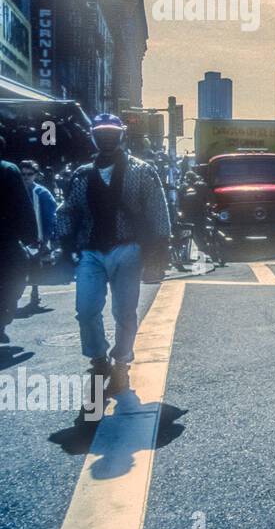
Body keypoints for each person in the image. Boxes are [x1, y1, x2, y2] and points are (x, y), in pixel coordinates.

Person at [55, 113, 171, 393]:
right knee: (85, 310)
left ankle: (121, 359)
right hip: (91, 251)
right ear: (93, 136)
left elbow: (158, 211)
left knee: (124, 310)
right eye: (101, 132)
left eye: (111, 132)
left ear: (120, 135)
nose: (106, 137)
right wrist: (64, 245)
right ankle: (97, 357)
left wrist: (158, 253)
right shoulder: (81, 174)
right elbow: (68, 210)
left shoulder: (142, 170)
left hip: (128, 248)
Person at [0, 136, 38, 344]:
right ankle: (2, 319)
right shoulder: (8, 170)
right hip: (5, 239)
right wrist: (31, 236)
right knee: (14, 278)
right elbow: (22, 204)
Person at [19, 160, 57, 314]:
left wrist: (46, 239)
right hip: (19, 237)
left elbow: (50, 217)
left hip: (37, 237)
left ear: (36, 175)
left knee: (34, 267)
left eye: (30, 174)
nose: (26, 177)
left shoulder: (42, 193)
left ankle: (34, 294)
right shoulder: (15, 191)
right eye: (23, 174)